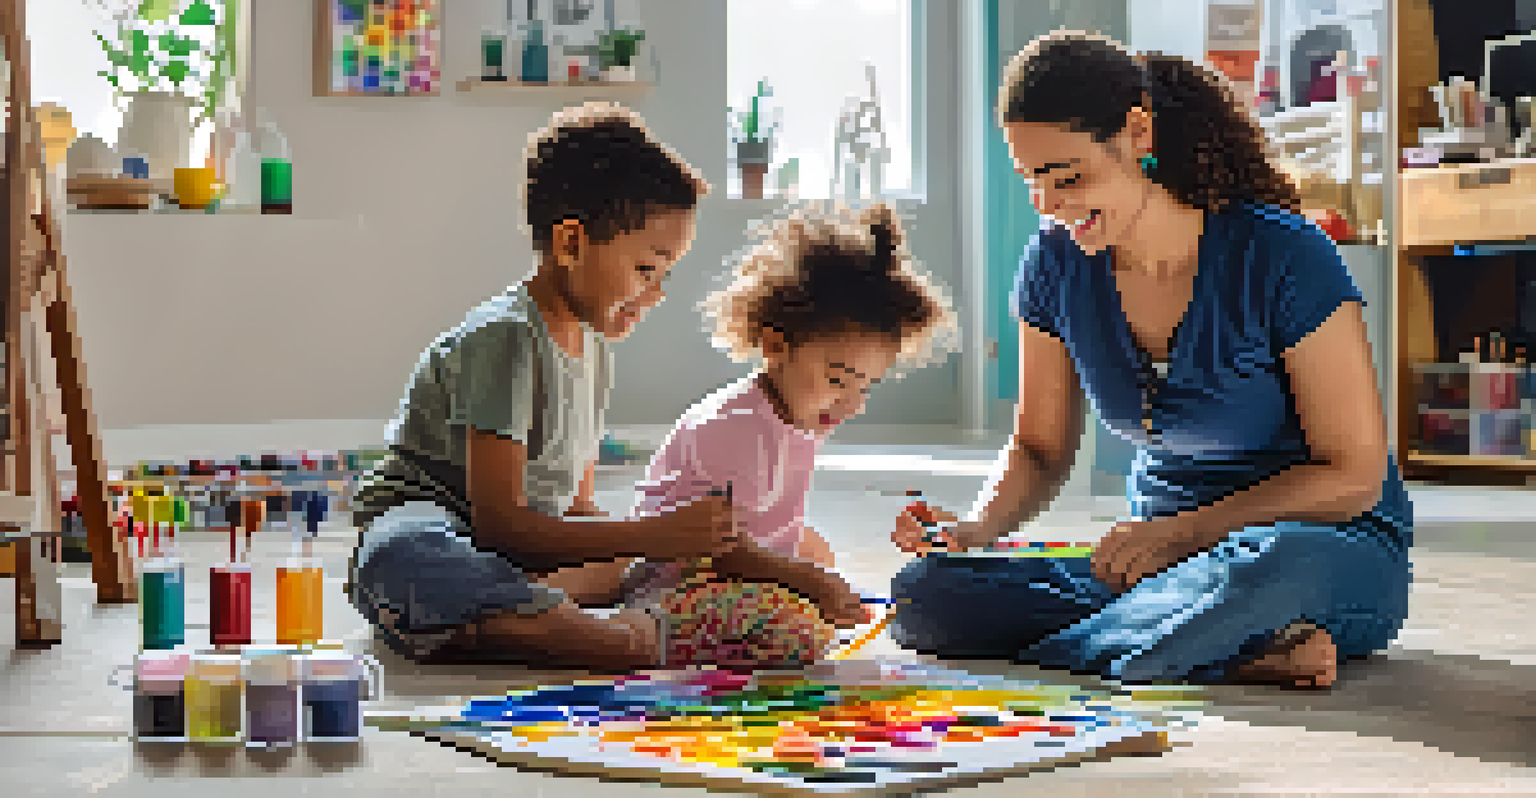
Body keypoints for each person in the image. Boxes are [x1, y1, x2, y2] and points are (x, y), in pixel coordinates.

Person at [889, 32, 1412, 689]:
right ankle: (1213, 649)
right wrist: (974, 527)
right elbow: (1039, 448)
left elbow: (1354, 475)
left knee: (1265, 571)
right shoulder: (1054, 263)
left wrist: (1187, 533)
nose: (1048, 205)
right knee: (926, 593)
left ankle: (1168, 642)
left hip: (1316, 544)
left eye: (1068, 177)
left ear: (1138, 133)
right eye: (1031, 181)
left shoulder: (1285, 254)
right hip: (1158, 563)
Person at [345, 103, 861, 671]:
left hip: (514, 555)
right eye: (645, 270)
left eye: (664, 276)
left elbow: (576, 508)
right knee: (412, 556)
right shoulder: (507, 338)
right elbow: (500, 525)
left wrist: (673, 549)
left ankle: (505, 620)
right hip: (439, 524)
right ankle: (573, 631)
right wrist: (650, 534)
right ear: (570, 245)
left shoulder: (592, 349)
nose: (655, 294)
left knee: (657, 563)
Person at [626, 203, 957, 634]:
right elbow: (719, 550)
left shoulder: (800, 413)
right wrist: (808, 582)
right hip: (683, 579)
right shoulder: (732, 426)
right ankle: (647, 627)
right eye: (838, 380)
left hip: (738, 562)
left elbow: (774, 524)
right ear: (775, 346)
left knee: (818, 553)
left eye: (865, 387)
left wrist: (812, 572)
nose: (853, 404)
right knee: (800, 625)